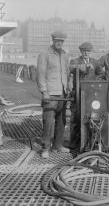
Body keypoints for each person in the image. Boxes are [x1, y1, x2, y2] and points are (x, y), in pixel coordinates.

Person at [36, 30, 70, 159]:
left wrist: (69, 86)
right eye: (57, 40)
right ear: (53, 40)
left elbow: (67, 73)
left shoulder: (65, 55)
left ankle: (58, 145)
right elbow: (40, 74)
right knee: (48, 122)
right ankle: (45, 148)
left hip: (63, 93)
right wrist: (44, 91)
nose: (59, 43)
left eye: (61, 41)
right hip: (50, 94)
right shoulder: (44, 54)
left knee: (61, 121)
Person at [68, 42, 103, 149]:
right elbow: (71, 68)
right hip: (78, 95)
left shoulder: (95, 62)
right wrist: (84, 66)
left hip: (91, 95)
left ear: (91, 52)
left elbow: (101, 73)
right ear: (81, 51)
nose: (86, 53)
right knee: (75, 118)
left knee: (91, 117)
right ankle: (74, 142)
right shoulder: (75, 61)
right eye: (84, 51)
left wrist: (97, 81)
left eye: (88, 51)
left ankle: (90, 140)